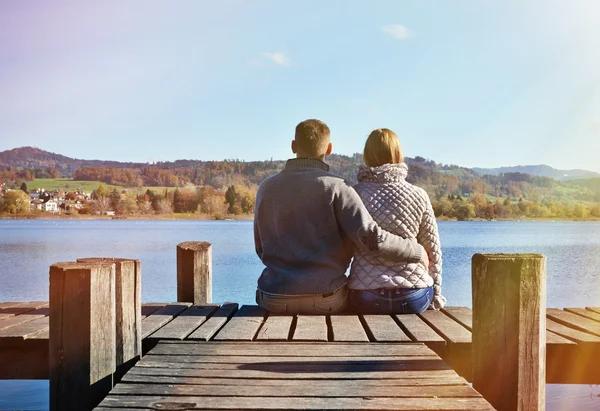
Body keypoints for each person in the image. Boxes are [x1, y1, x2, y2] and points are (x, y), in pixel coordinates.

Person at [253, 119, 429, 314]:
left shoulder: (266, 188)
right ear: (328, 149)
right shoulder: (338, 187)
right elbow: (371, 239)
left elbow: (260, 248)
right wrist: (417, 252)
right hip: (327, 299)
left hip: (273, 297)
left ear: (293, 146)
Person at [348, 128, 446, 313]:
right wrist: (437, 294)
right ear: (398, 153)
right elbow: (433, 251)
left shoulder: (353, 194)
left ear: (367, 155)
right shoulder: (419, 195)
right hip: (414, 296)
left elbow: (342, 248)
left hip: (366, 295)